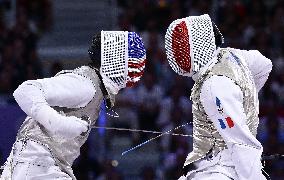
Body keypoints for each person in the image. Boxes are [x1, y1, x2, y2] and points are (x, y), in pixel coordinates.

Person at [0, 31, 146, 180]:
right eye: (132, 62)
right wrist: (60, 123)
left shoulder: (96, 89)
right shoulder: (86, 85)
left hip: (43, 166)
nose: (136, 69)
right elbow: (25, 91)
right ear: (116, 62)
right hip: (36, 166)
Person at [164, 14, 272, 179]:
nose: (177, 54)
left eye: (182, 47)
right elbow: (264, 64)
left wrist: (236, 107)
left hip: (219, 171)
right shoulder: (231, 56)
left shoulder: (213, 86)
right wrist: (242, 101)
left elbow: (242, 145)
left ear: (200, 44)